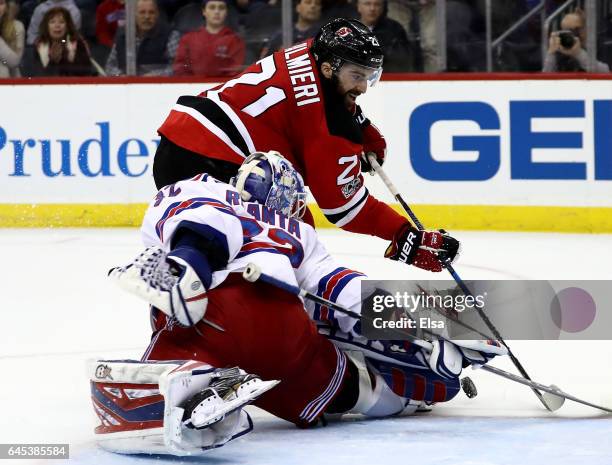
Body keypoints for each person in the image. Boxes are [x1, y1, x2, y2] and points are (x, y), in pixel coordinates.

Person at [96, 151, 502, 456]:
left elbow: (198, 220)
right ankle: (416, 393)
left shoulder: (206, 188)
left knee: (182, 315)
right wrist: (416, 321)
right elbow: (342, 290)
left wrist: (189, 262)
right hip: (285, 331)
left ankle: (188, 296)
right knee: (345, 388)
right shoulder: (299, 233)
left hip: (218, 312)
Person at [155, 18, 458, 276]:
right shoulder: (331, 125)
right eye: (357, 76)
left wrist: (360, 125)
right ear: (329, 69)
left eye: (369, 76)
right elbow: (344, 209)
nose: (364, 87)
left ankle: (187, 277)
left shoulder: (313, 49)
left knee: (253, 236)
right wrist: (404, 235)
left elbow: (311, 99)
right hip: (214, 161)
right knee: (296, 243)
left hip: (180, 140)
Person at [173, 0, 245, 77]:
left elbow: (234, 72)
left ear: (226, 12)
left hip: (222, 87)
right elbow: (180, 68)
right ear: (204, 12)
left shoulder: (235, 41)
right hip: (192, 87)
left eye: (221, 8)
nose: (217, 11)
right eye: (212, 7)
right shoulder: (188, 39)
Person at [105, 0, 174, 76]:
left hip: (157, 86)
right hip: (127, 85)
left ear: (157, 14)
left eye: (151, 12)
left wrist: (156, 76)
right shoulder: (122, 34)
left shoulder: (170, 34)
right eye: (142, 12)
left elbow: (177, 67)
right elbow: (109, 66)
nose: (147, 17)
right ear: (134, 15)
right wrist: (120, 75)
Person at [31, 6, 94, 76]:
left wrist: (62, 59)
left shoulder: (78, 42)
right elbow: (36, 74)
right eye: (52, 22)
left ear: (67, 26)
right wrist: (52, 60)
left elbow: (85, 71)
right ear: (46, 26)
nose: (57, 25)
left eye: (62, 22)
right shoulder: (39, 45)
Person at [357, 0, 416, 72]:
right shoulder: (350, 28)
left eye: (377, 4)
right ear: (358, 7)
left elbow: (402, 60)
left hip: (387, 78)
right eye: (367, 4)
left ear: (382, 8)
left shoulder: (394, 29)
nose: (372, 8)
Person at [543, 9, 609, 73]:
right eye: (567, 30)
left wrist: (578, 53)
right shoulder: (562, 47)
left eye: (577, 29)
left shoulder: (602, 45)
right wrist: (551, 53)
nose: (573, 34)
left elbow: (606, 72)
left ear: (586, 28)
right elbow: (544, 79)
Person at [0, 0, 24, 78]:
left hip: (10, 83)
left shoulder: (17, 27)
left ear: (7, 7)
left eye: (1, 3)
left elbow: (14, 62)